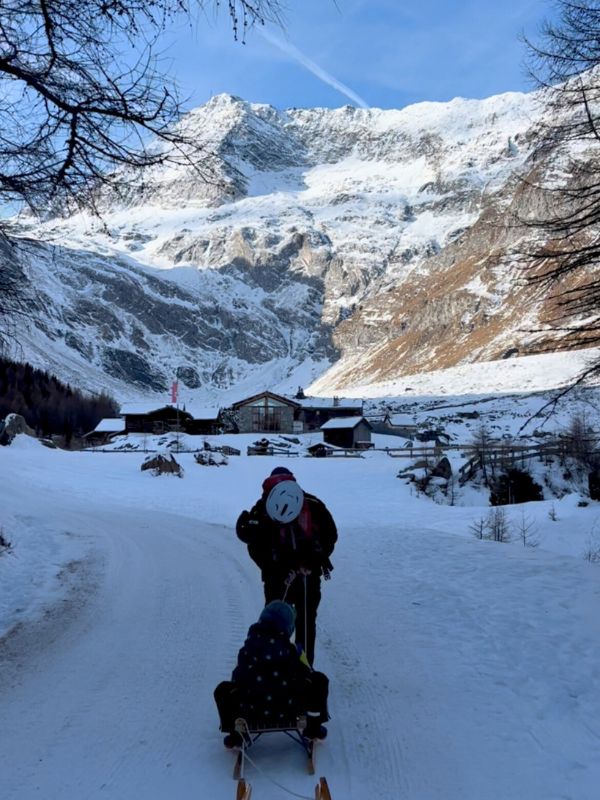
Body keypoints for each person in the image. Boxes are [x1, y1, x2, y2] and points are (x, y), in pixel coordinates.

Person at [236, 467, 337, 666]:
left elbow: (254, 547)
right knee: (306, 623)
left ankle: (271, 666)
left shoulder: (263, 506)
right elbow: (330, 536)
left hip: (276, 578)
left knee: (273, 623)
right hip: (309, 576)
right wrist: (312, 563)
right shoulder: (312, 503)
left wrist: (273, 568)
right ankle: (304, 672)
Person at [214, 601, 329, 748]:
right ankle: (312, 728)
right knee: (318, 680)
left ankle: (237, 735)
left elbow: (237, 677)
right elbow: (305, 674)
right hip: (288, 710)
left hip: (253, 711)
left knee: (223, 689)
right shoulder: (291, 651)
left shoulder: (247, 651)